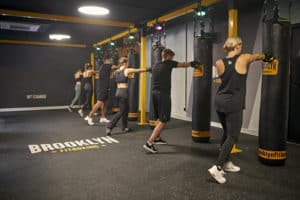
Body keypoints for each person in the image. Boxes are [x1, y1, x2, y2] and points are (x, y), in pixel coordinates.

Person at [208, 37, 275, 184]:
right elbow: (257, 56)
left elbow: (221, 79)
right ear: (237, 46)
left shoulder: (219, 62)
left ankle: (226, 163)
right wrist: (267, 56)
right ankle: (217, 168)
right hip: (233, 103)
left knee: (226, 133)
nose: (242, 47)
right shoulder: (244, 58)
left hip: (219, 100)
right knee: (233, 136)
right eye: (241, 45)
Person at [143, 48, 201, 153]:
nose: (172, 58)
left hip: (154, 94)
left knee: (159, 118)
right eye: (172, 57)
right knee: (163, 120)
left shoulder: (155, 65)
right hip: (163, 95)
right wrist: (193, 64)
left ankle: (157, 138)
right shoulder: (169, 63)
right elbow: (183, 64)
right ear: (168, 56)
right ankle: (149, 143)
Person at [105, 57, 150, 135]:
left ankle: (124, 127)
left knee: (125, 110)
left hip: (118, 92)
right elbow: (137, 70)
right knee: (122, 111)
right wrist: (148, 69)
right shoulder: (126, 70)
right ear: (125, 63)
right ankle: (110, 126)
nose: (128, 64)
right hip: (123, 92)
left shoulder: (116, 71)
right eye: (128, 62)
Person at [85, 57, 118, 125]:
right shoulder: (107, 65)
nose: (111, 61)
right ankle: (89, 116)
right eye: (110, 60)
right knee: (99, 103)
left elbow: (107, 74)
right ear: (107, 61)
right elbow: (115, 67)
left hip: (104, 87)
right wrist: (121, 65)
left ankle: (103, 117)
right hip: (103, 87)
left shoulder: (102, 67)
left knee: (104, 103)